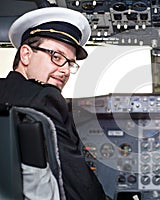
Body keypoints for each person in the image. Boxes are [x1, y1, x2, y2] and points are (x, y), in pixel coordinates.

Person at [0, 7, 106, 199]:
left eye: (70, 63)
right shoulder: (45, 99)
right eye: (56, 57)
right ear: (25, 55)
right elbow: (80, 188)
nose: (65, 71)